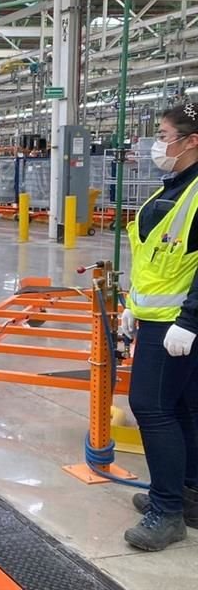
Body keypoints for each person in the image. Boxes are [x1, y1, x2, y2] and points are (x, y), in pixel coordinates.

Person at [119, 102, 198, 551]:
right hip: (157, 317)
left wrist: (190, 320)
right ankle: (188, 495)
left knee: (151, 408)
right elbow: (157, 258)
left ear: (192, 141)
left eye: (164, 136)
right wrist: (133, 303)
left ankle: (167, 512)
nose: (156, 145)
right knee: (183, 407)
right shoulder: (175, 185)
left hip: (175, 325)